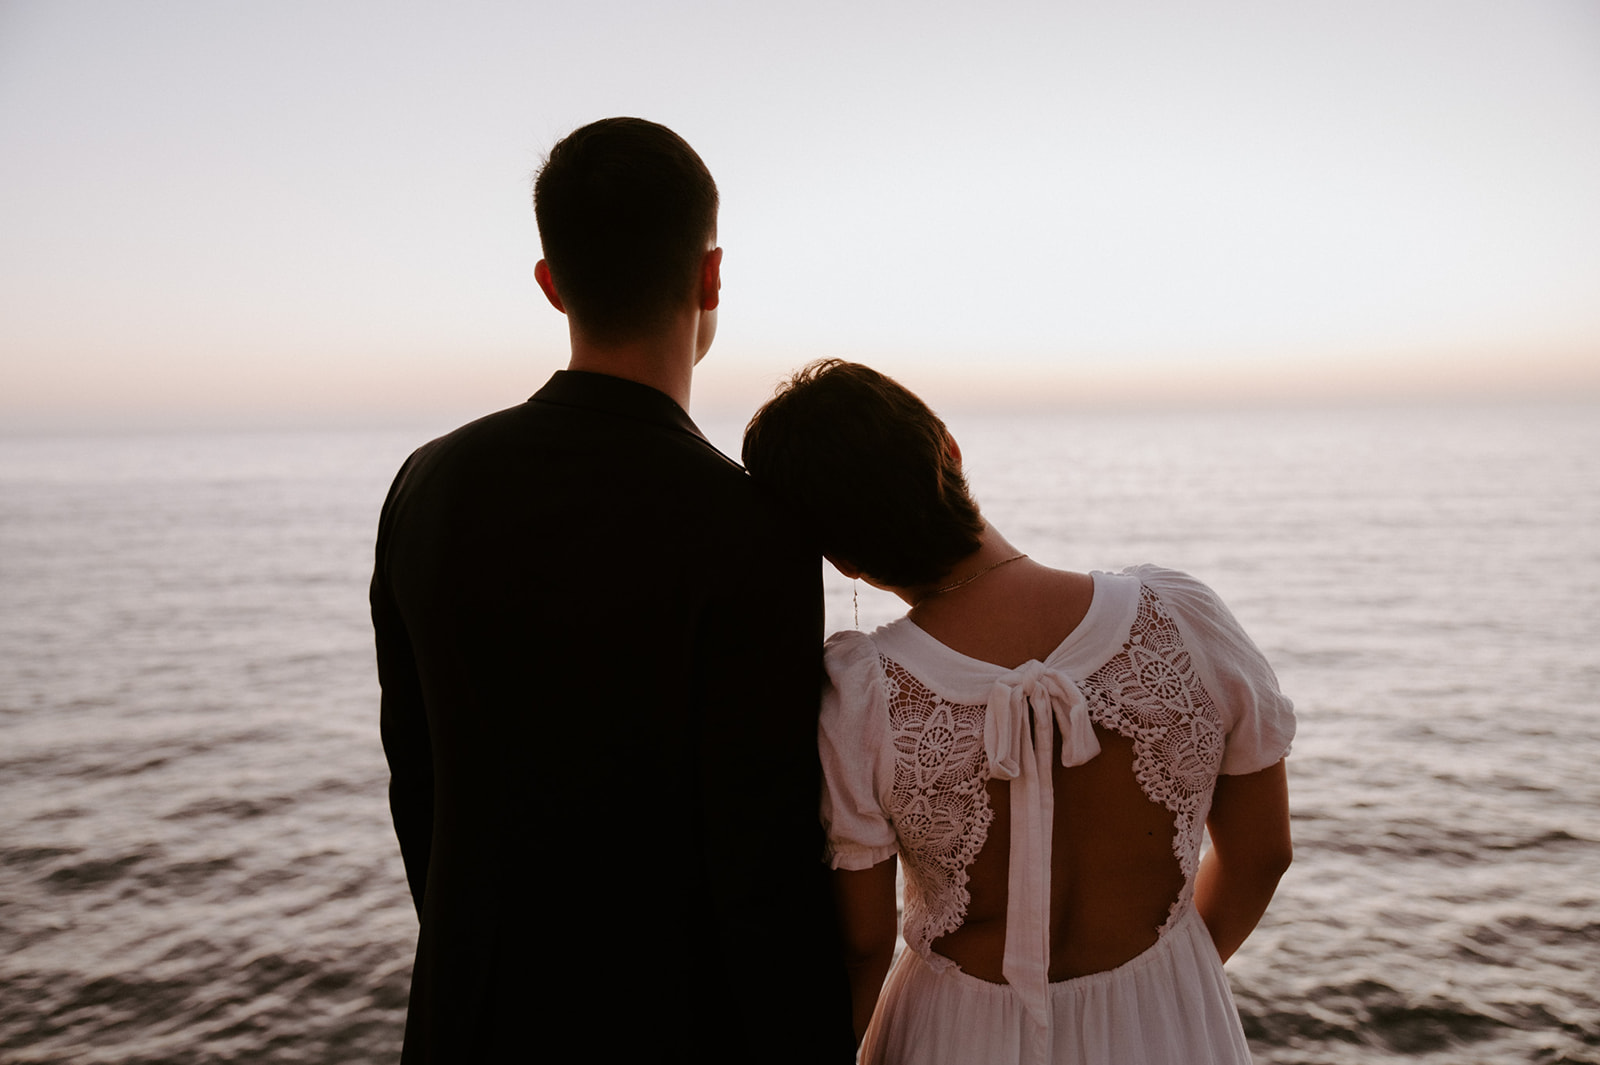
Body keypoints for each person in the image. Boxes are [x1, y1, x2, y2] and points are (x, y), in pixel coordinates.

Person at [371, 119, 853, 1063]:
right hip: (678, 1024)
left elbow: (415, 776)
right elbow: (765, 852)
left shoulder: (426, 485)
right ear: (711, 277)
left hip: (470, 1015)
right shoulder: (753, 526)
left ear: (551, 283)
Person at [741, 359, 1295, 1065]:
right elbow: (1264, 854)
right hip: (1170, 1020)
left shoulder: (863, 695)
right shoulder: (1182, 619)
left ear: (843, 559)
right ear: (949, 449)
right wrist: (1160, 988)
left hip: (954, 1037)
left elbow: (862, 945)